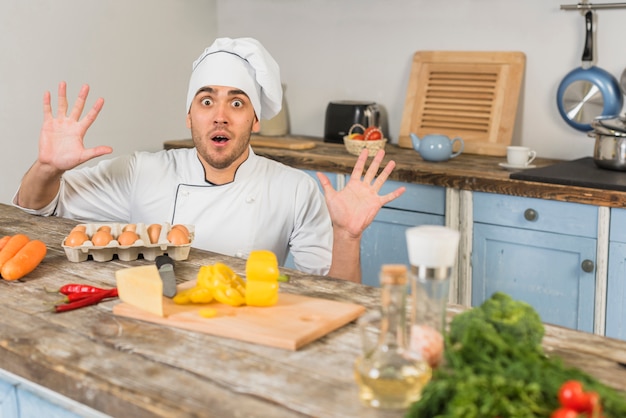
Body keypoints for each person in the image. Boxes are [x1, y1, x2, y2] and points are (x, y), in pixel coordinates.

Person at [13, 37, 404, 283]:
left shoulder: (293, 188)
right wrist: (47, 167)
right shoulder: (140, 171)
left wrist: (348, 237)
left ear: (255, 119)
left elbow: (338, 294)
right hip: (153, 328)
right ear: (189, 116)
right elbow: (37, 209)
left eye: (237, 101)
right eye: (206, 100)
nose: (220, 114)